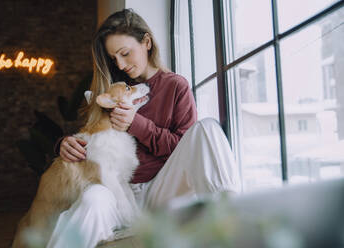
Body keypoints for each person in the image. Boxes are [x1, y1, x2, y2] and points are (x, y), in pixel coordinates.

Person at [47, 8, 240, 248]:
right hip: (119, 191)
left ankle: (235, 222)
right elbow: (96, 140)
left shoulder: (175, 87)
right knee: (92, 199)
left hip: (164, 188)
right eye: (113, 58)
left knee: (207, 129)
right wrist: (64, 144)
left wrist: (135, 124)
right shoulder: (113, 91)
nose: (120, 63)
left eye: (125, 53)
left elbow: (182, 148)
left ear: (146, 42)